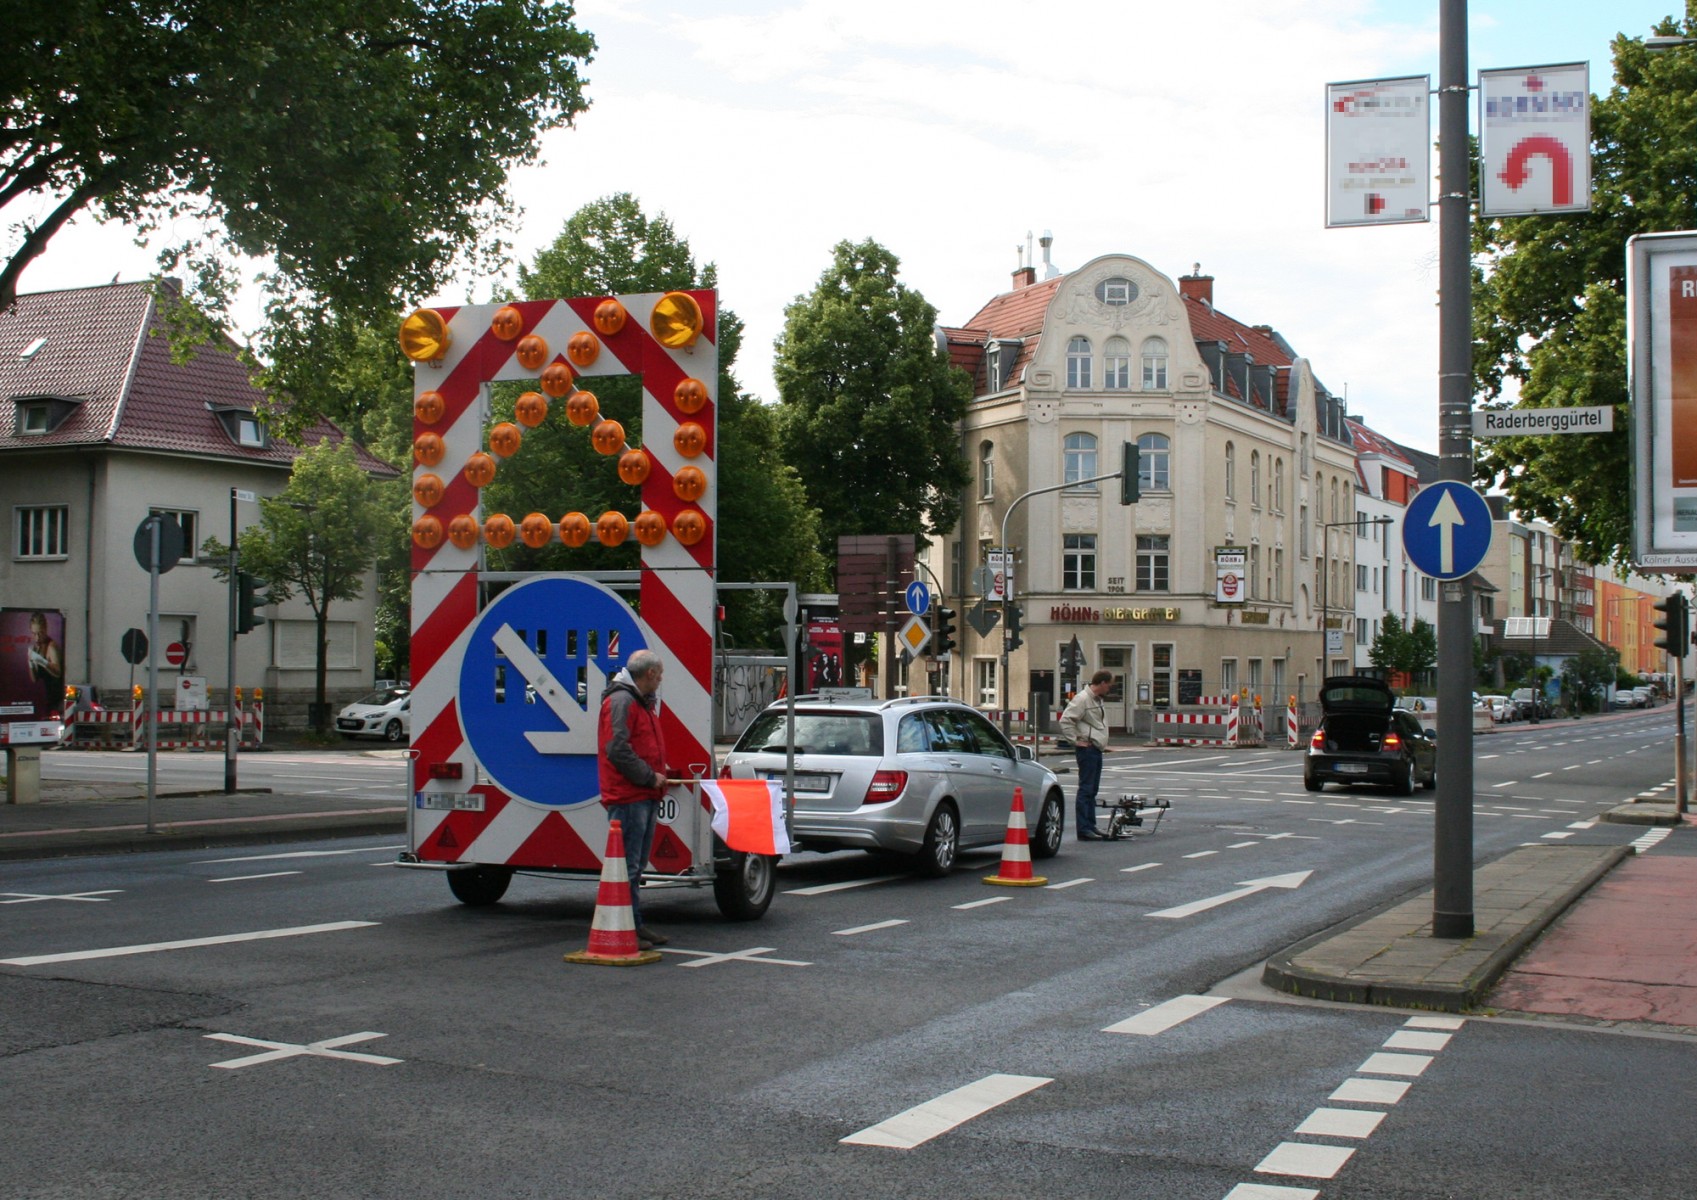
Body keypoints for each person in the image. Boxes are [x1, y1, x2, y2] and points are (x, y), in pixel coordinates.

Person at [597, 648, 673, 949]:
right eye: (660, 674)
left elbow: (630, 745)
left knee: (635, 865)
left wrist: (655, 772)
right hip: (629, 795)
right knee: (629, 866)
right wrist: (648, 775)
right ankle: (627, 928)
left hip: (640, 793)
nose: (661, 679)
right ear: (650, 673)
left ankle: (634, 925)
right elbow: (617, 749)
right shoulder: (623, 701)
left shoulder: (636, 701)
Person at [1060, 669, 1113, 840]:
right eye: (1109, 685)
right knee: (1086, 789)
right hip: (1088, 749)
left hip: (1096, 749)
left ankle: (1091, 825)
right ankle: (1084, 829)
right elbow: (1066, 719)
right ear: (1102, 683)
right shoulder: (1083, 698)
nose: (1109, 689)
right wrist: (1075, 740)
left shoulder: (1097, 699)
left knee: (1092, 790)